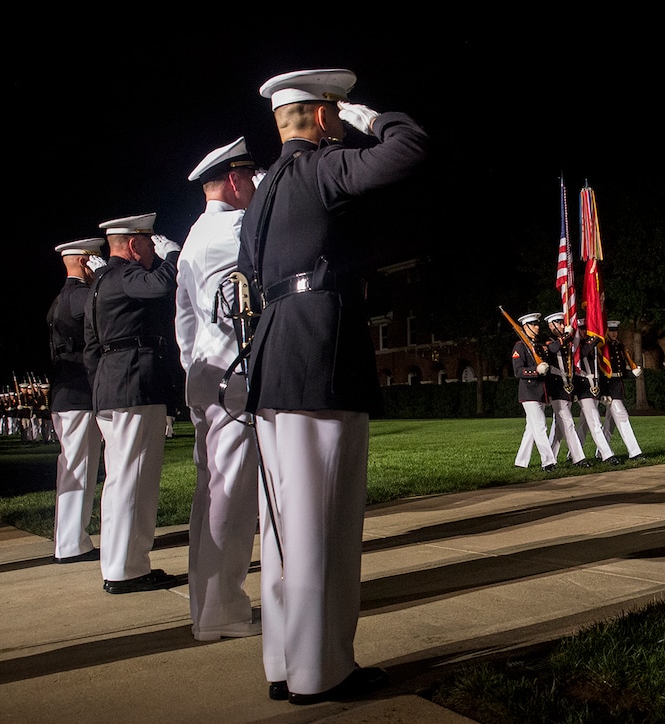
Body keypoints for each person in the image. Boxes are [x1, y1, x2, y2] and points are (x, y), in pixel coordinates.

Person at [237, 68, 429, 705]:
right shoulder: (320, 169)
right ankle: (323, 672)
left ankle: (286, 661)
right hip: (321, 352)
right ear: (324, 118)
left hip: (274, 355)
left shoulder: (261, 192)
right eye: (336, 115)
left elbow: (249, 270)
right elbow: (411, 148)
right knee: (323, 518)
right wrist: (370, 117)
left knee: (285, 522)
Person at [176, 137, 262, 642]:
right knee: (232, 497)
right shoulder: (237, 229)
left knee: (210, 496)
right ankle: (223, 611)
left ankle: (207, 606)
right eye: (250, 177)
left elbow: (184, 323)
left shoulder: (192, 236)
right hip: (236, 380)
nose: (254, 185)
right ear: (234, 180)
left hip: (208, 377)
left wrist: (196, 370)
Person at [83, 212, 182, 594]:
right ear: (133, 244)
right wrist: (173, 257)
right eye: (148, 243)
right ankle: (128, 569)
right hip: (134, 384)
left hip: (112, 386)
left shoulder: (99, 283)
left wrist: (101, 388)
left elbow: (92, 348)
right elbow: (161, 285)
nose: (151, 251)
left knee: (120, 480)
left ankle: (120, 563)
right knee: (134, 480)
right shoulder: (125, 275)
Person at [47, 237, 106, 564]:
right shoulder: (84, 296)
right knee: (79, 469)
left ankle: (70, 539)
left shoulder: (60, 299)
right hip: (79, 393)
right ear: (86, 262)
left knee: (73, 468)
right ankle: (71, 543)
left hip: (64, 393)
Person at [571, 317, 622, 465]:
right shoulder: (578, 345)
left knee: (584, 423)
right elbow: (581, 355)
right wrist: (595, 338)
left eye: (587, 328)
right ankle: (607, 454)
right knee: (594, 420)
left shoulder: (592, 345)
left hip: (594, 385)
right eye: (581, 329)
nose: (585, 331)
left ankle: (573, 454)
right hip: (582, 386)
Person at [511, 312, 558, 472]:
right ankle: (548, 461)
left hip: (541, 391)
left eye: (538, 324)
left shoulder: (537, 346)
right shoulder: (520, 346)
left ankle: (521, 461)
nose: (537, 327)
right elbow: (518, 371)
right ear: (525, 327)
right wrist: (535, 370)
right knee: (540, 426)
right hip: (529, 392)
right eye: (534, 325)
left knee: (531, 428)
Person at [542, 312, 589, 468]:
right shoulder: (548, 341)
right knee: (568, 422)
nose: (562, 325)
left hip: (567, 385)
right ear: (551, 326)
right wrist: (569, 334)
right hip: (556, 386)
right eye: (559, 323)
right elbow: (555, 348)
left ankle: (550, 459)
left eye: (563, 323)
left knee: (559, 427)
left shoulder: (567, 341)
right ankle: (578, 458)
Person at [602, 320, 645, 461]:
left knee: (610, 422)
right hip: (610, 387)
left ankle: (601, 451)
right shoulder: (604, 347)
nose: (614, 333)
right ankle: (634, 452)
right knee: (623, 418)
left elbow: (619, 370)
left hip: (618, 386)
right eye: (611, 331)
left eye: (615, 331)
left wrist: (632, 373)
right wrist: (604, 391)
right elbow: (603, 371)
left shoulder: (619, 346)